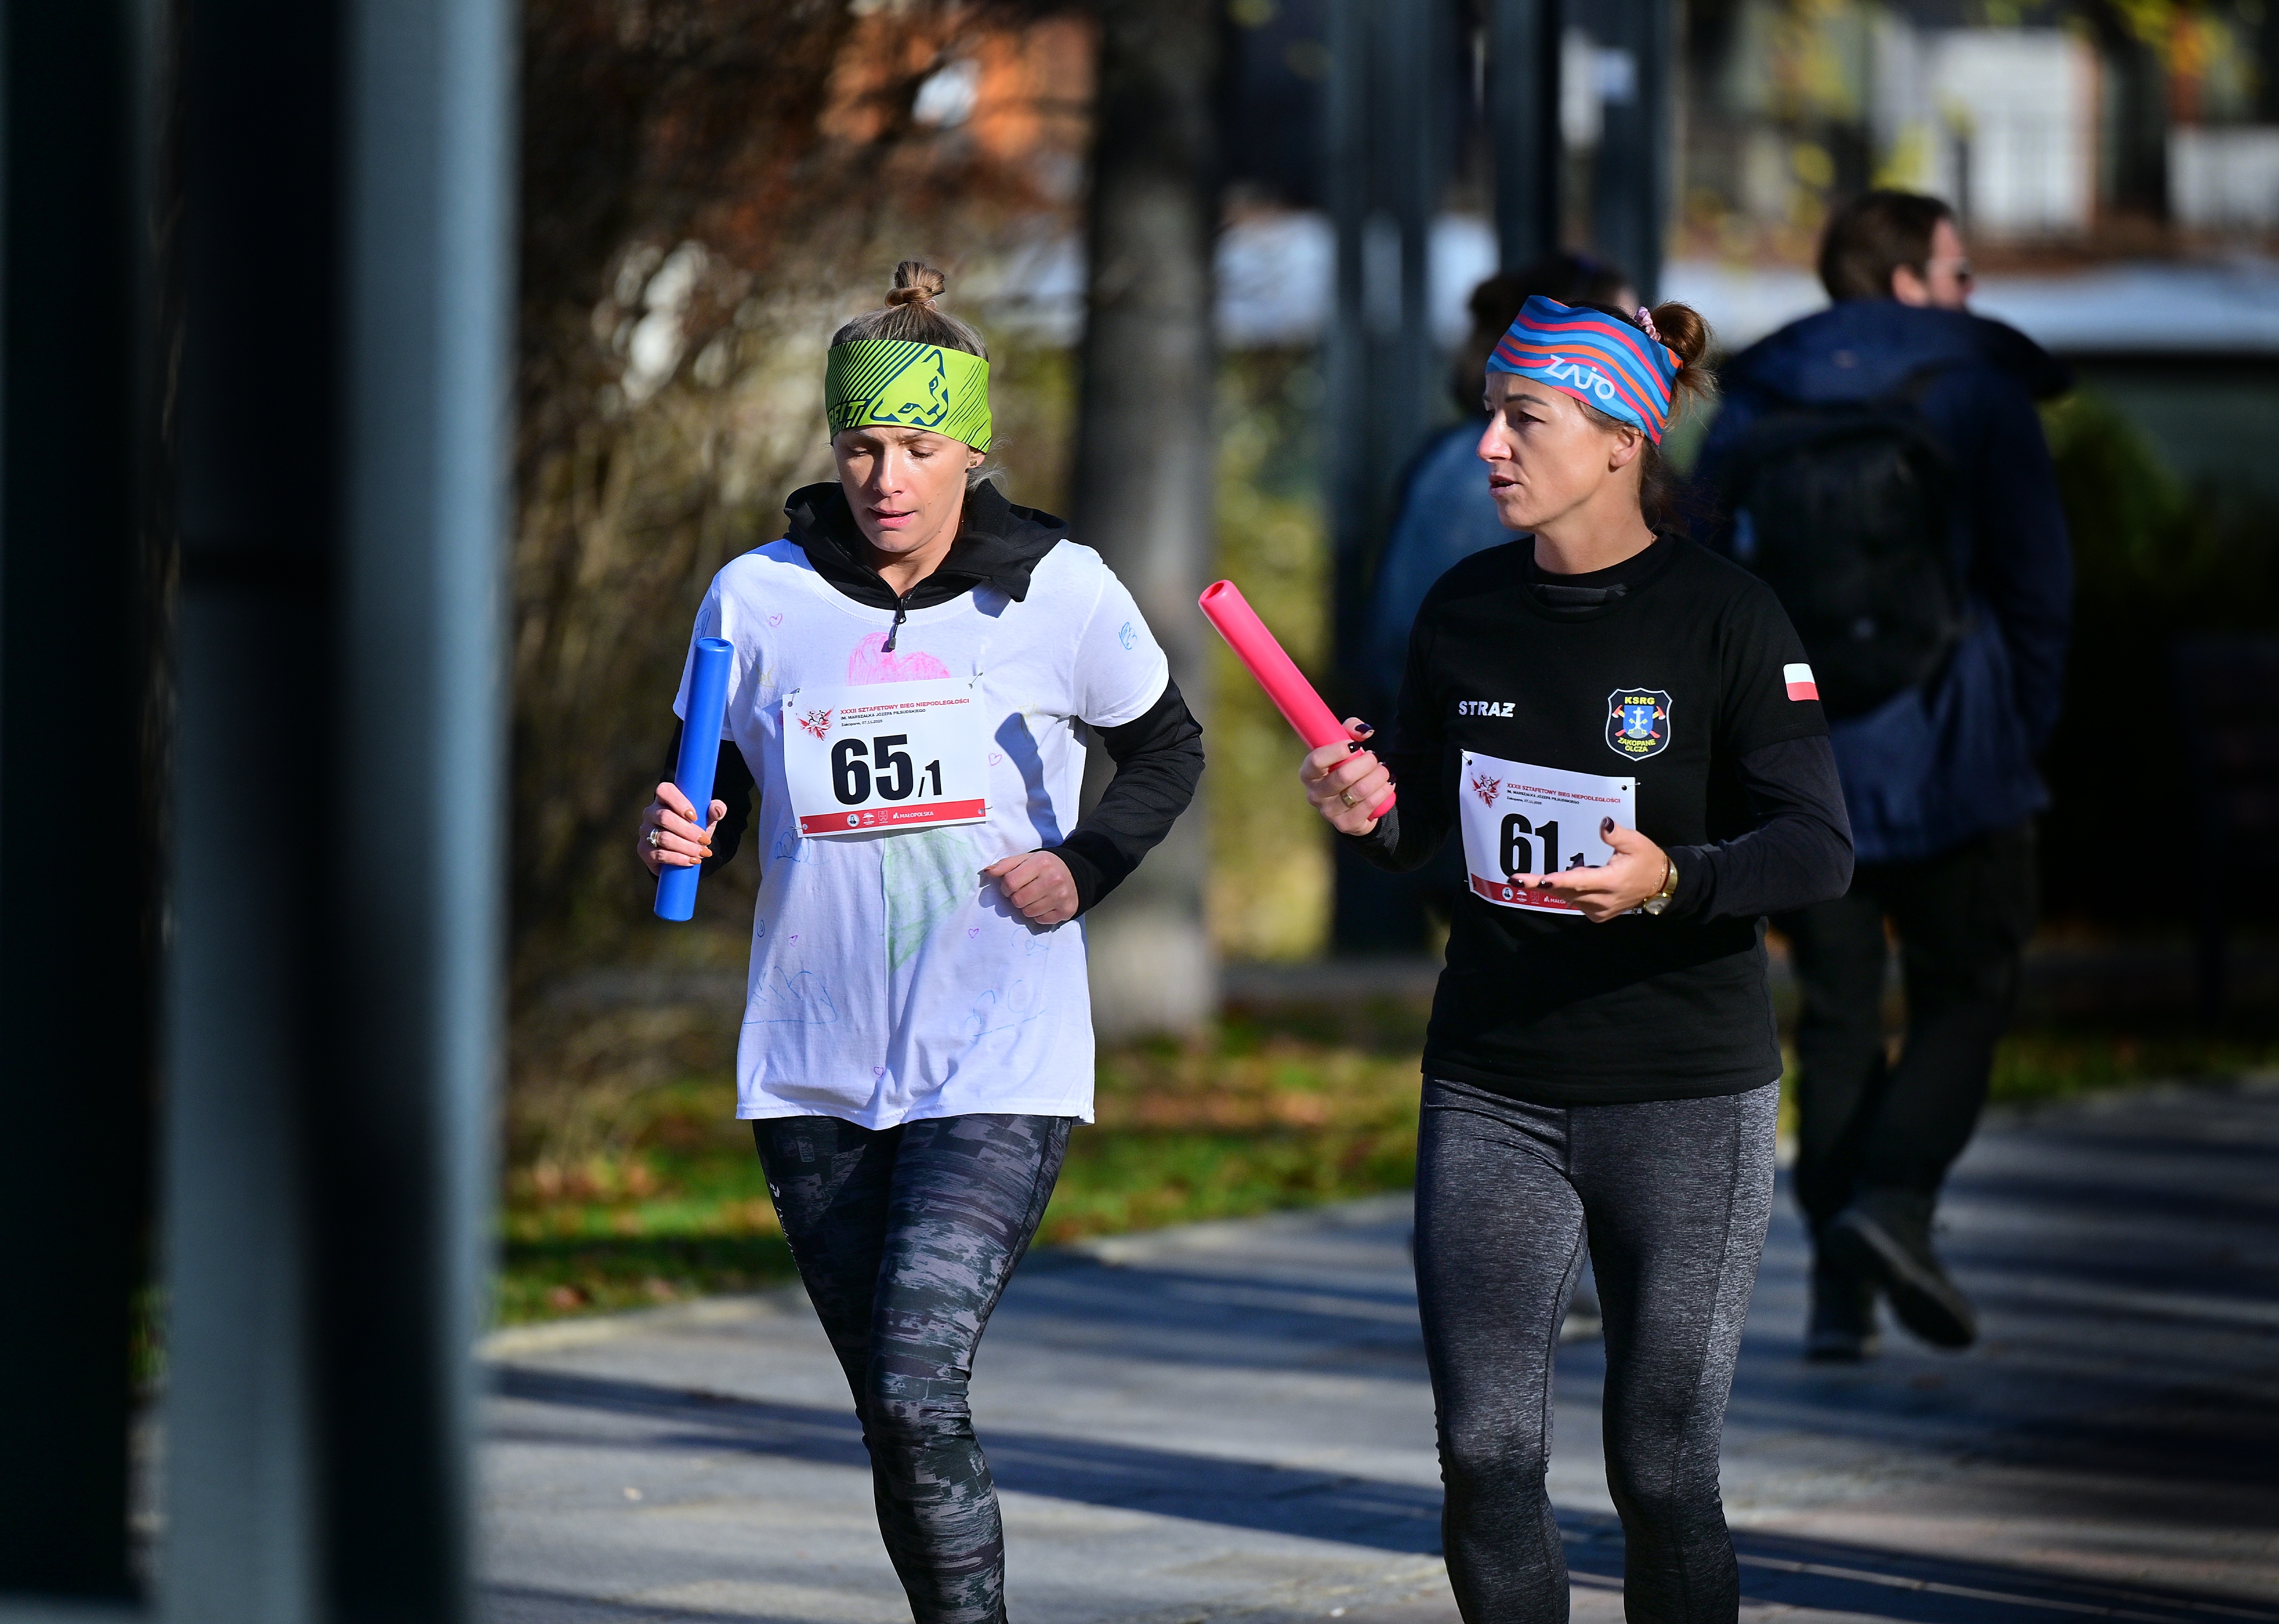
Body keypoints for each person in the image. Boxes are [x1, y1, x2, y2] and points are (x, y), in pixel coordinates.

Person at [636, 261, 1204, 1624]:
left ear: (973, 451)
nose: (885, 478)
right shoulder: (754, 596)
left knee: (913, 1380)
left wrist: (1084, 866)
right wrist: (686, 829)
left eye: (917, 447)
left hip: (994, 1054)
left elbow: (1166, 749)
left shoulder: (1058, 590)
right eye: (861, 446)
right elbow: (715, 781)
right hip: (812, 1058)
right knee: (893, 1416)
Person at [1300, 296, 1853, 1622]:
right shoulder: (1464, 606)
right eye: (1488, 415)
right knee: (1486, 1454)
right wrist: (1368, 810)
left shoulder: (1727, 616)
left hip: (1682, 1093)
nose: (1486, 445)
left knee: (1660, 1472)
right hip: (1490, 1082)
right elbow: (1422, 821)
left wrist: (1673, 879)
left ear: (1620, 440)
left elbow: (1817, 848)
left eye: (1522, 419)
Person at [1694, 190, 2073, 1362]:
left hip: (1805, 765)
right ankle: (1894, 1204)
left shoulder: (1758, 393)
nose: (1968, 293)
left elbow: (1706, 578)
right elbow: (2036, 585)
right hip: (1958, 748)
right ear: (1908, 280)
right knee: (1968, 990)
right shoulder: (1976, 389)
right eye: (1956, 272)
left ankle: (1835, 1290)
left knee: (1839, 1016)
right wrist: (2019, 731)